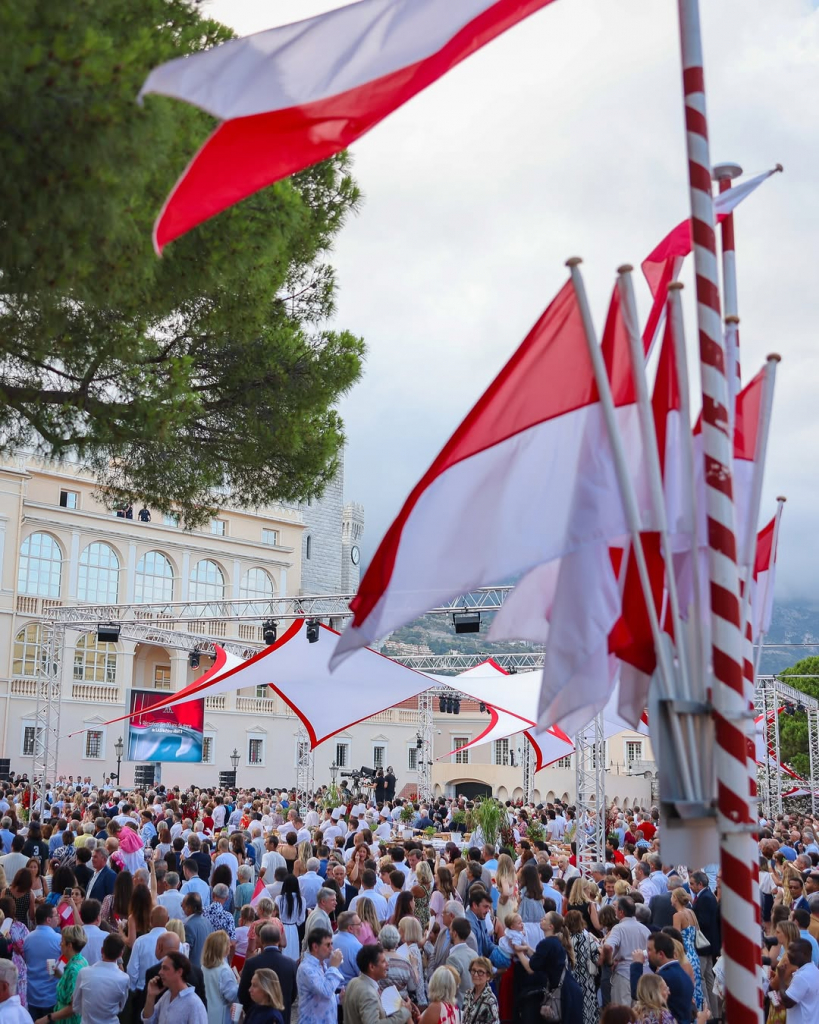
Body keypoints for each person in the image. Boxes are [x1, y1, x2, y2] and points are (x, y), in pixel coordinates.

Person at [238, 923, 297, 1024]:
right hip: (282, 1014)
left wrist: (253, 1010)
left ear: (261, 940)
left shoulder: (252, 963)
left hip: (258, 1016)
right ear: (279, 940)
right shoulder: (291, 964)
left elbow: (243, 994)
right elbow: (293, 994)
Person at [632, 933, 694, 1024]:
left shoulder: (664, 977)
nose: (647, 953)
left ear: (660, 954)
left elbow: (638, 993)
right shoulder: (681, 972)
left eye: (649, 950)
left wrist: (636, 964)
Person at [32, 924, 88, 1024]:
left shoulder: (73, 969)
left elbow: (73, 1007)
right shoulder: (81, 960)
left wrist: (48, 1018)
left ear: (69, 946)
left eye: (62, 941)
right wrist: (60, 975)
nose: (60, 944)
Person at [343, 944, 412, 1024]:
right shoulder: (368, 993)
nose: (387, 964)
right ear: (372, 967)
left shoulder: (353, 982)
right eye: (383, 961)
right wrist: (404, 1013)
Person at [603, 897, 651, 1007]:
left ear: (621, 912)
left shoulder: (618, 929)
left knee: (621, 1014)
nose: (614, 910)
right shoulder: (644, 929)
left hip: (623, 975)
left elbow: (607, 947)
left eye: (616, 908)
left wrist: (610, 962)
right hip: (642, 975)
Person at [71, 933, 129, 1024]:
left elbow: (75, 1005)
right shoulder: (124, 978)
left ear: (102, 950)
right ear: (120, 954)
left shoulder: (84, 973)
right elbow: (121, 1006)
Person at [142, 951, 208, 1024]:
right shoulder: (167, 996)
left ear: (179, 972)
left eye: (165, 968)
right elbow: (149, 1021)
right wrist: (151, 995)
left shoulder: (194, 1005)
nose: (160, 972)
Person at [295, 928, 344, 1024]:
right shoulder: (306, 968)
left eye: (332, 944)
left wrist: (338, 998)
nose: (331, 949)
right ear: (315, 947)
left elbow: (322, 997)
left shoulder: (322, 964)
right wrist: (334, 967)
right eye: (328, 945)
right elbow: (325, 991)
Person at [23, 903, 61, 1022]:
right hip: (51, 995)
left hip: (32, 994)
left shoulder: (27, 938)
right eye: (56, 915)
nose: (59, 917)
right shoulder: (58, 939)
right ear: (48, 920)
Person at [565, 909, 600, 1024]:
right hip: (587, 978)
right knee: (588, 1006)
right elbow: (596, 958)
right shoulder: (588, 938)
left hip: (570, 978)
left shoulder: (564, 940)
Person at [776, 938, 819, 1024]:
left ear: (804, 954)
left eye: (793, 951)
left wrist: (781, 977)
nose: (788, 954)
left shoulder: (802, 976)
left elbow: (788, 1002)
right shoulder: (814, 970)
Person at [201, 930, 239, 1024]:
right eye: (227, 943)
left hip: (207, 1012)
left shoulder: (204, 967)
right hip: (221, 1015)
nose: (230, 945)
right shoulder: (223, 970)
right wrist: (239, 984)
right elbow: (232, 995)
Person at [446, 918, 475, 1005]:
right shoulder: (474, 954)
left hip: (459, 1006)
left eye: (450, 930)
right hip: (473, 1005)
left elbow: (450, 988)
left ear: (454, 933)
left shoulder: (453, 959)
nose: (449, 932)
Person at [461, 957, 499, 1024]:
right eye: (473, 970)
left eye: (480, 972)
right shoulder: (468, 993)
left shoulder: (491, 1000)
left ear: (488, 976)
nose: (475, 975)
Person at [182, 894, 211, 968]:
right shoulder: (207, 922)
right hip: (206, 966)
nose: (181, 905)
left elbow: (186, 951)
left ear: (189, 908)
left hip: (193, 968)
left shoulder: (188, 926)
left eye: (183, 903)